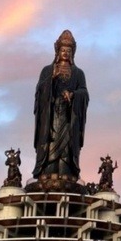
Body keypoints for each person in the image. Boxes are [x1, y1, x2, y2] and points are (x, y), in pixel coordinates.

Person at [33, 30, 89, 180]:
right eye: (63, 50)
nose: (65, 53)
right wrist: (51, 78)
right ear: (57, 51)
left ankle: (67, 171)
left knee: (67, 146)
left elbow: (84, 92)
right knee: (50, 141)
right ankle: (47, 169)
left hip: (69, 115)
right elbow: (40, 91)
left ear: (73, 53)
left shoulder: (78, 73)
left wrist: (73, 95)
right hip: (51, 116)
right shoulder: (47, 70)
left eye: (68, 50)